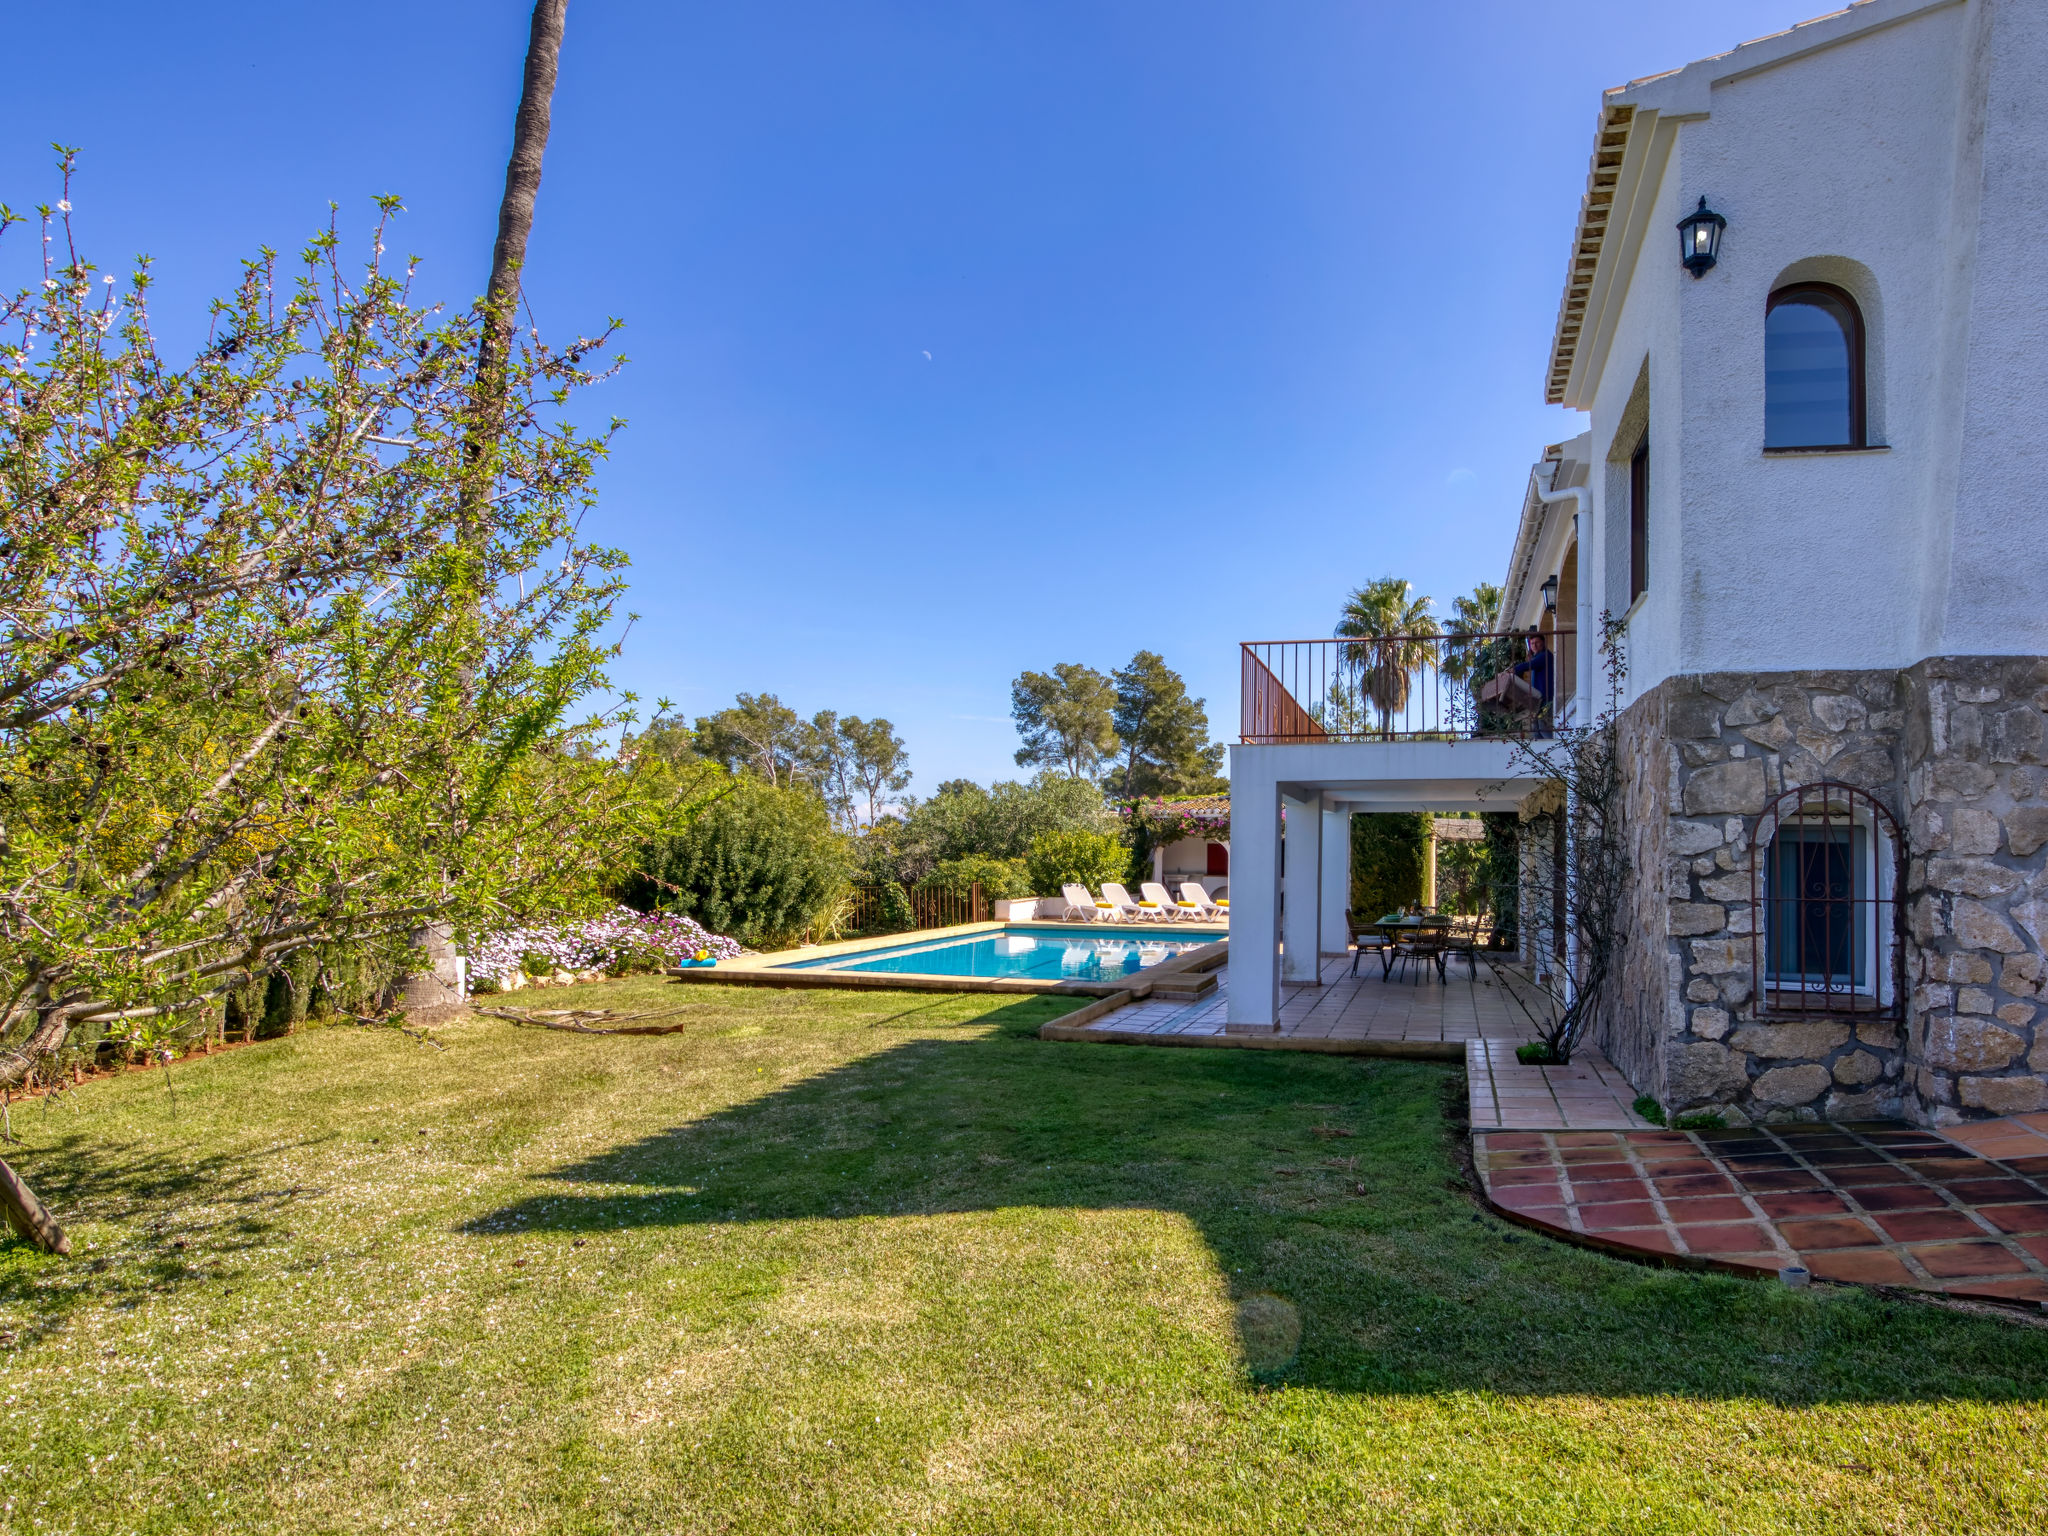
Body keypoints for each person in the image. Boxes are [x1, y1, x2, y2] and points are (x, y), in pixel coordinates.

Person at [1511, 629, 1555, 738]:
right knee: (1536, 730)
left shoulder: (1545, 655)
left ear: (1543, 643)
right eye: (1532, 643)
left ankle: (1551, 749)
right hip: (1538, 699)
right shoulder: (1537, 657)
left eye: (1537, 642)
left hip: (1545, 698)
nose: (1534, 645)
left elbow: (1530, 664)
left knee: (1543, 726)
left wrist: (1514, 669)